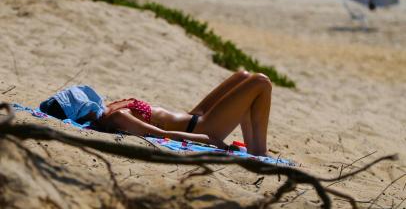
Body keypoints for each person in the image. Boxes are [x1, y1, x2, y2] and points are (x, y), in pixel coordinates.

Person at [39, 71, 272, 156]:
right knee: (260, 82)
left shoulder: (106, 109)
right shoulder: (113, 118)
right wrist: (206, 140)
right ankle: (258, 151)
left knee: (243, 75)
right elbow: (162, 134)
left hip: (193, 116)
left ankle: (255, 145)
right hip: (200, 127)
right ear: (78, 108)